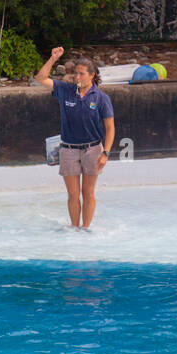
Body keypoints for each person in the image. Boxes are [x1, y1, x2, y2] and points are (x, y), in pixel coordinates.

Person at [34, 48, 115, 230]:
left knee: (88, 192)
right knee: (72, 193)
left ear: (92, 75)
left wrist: (106, 153)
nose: (77, 77)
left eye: (81, 74)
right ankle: (74, 227)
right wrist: (53, 58)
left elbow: (110, 128)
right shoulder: (65, 90)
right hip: (69, 149)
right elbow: (40, 79)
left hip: (93, 149)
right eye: (75, 73)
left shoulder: (102, 98)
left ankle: (85, 228)